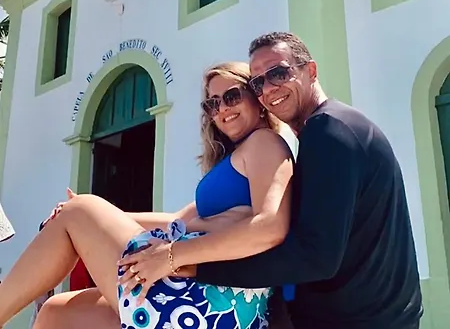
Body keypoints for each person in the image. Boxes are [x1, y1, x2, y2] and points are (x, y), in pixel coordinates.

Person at [0, 61, 293, 329]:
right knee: (56, 312)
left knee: (80, 212)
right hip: (200, 300)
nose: (222, 109)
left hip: (214, 302)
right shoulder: (235, 159)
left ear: (256, 97)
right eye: (212, 104)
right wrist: (100, 216)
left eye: (232, 96)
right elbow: (177, 221)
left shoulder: (264, 142)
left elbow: (270, 226)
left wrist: (171, 255)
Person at [174, 32, 422, 329]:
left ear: (311, 71)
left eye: (278, 73)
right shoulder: (333, 128)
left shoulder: (329, 131)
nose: (269, 88)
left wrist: (198, 267)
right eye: (258, 83)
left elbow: (314, 256)